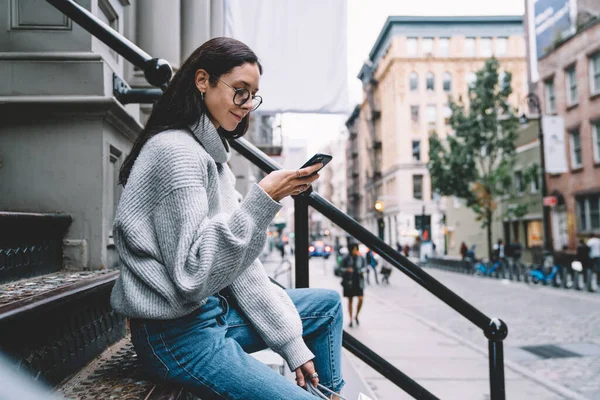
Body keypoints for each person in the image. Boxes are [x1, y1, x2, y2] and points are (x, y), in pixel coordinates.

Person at [110, 38, 344, 399]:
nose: (248, 104)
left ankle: (329, 394)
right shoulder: (176, 152)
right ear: (202, 80)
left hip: (210, 317)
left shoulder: (210, 159)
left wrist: (293, 348)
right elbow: (192, 276)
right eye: (240, 91)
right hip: (174, 336)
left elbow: (242, 269)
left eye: (253, 95)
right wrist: (263, 200)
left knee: (326, 307)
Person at [341, 243, 366, 328]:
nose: (355, 251)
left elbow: (365, 267)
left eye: (356, 249)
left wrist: (362, 270)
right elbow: (339, 268)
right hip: (349, 282)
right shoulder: (346, 257)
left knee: (361, 299)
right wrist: (346, 269)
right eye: (354, 249)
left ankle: (356, 316)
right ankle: (351, 319)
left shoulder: (360, 257)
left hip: (359, 281)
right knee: (350, 300)